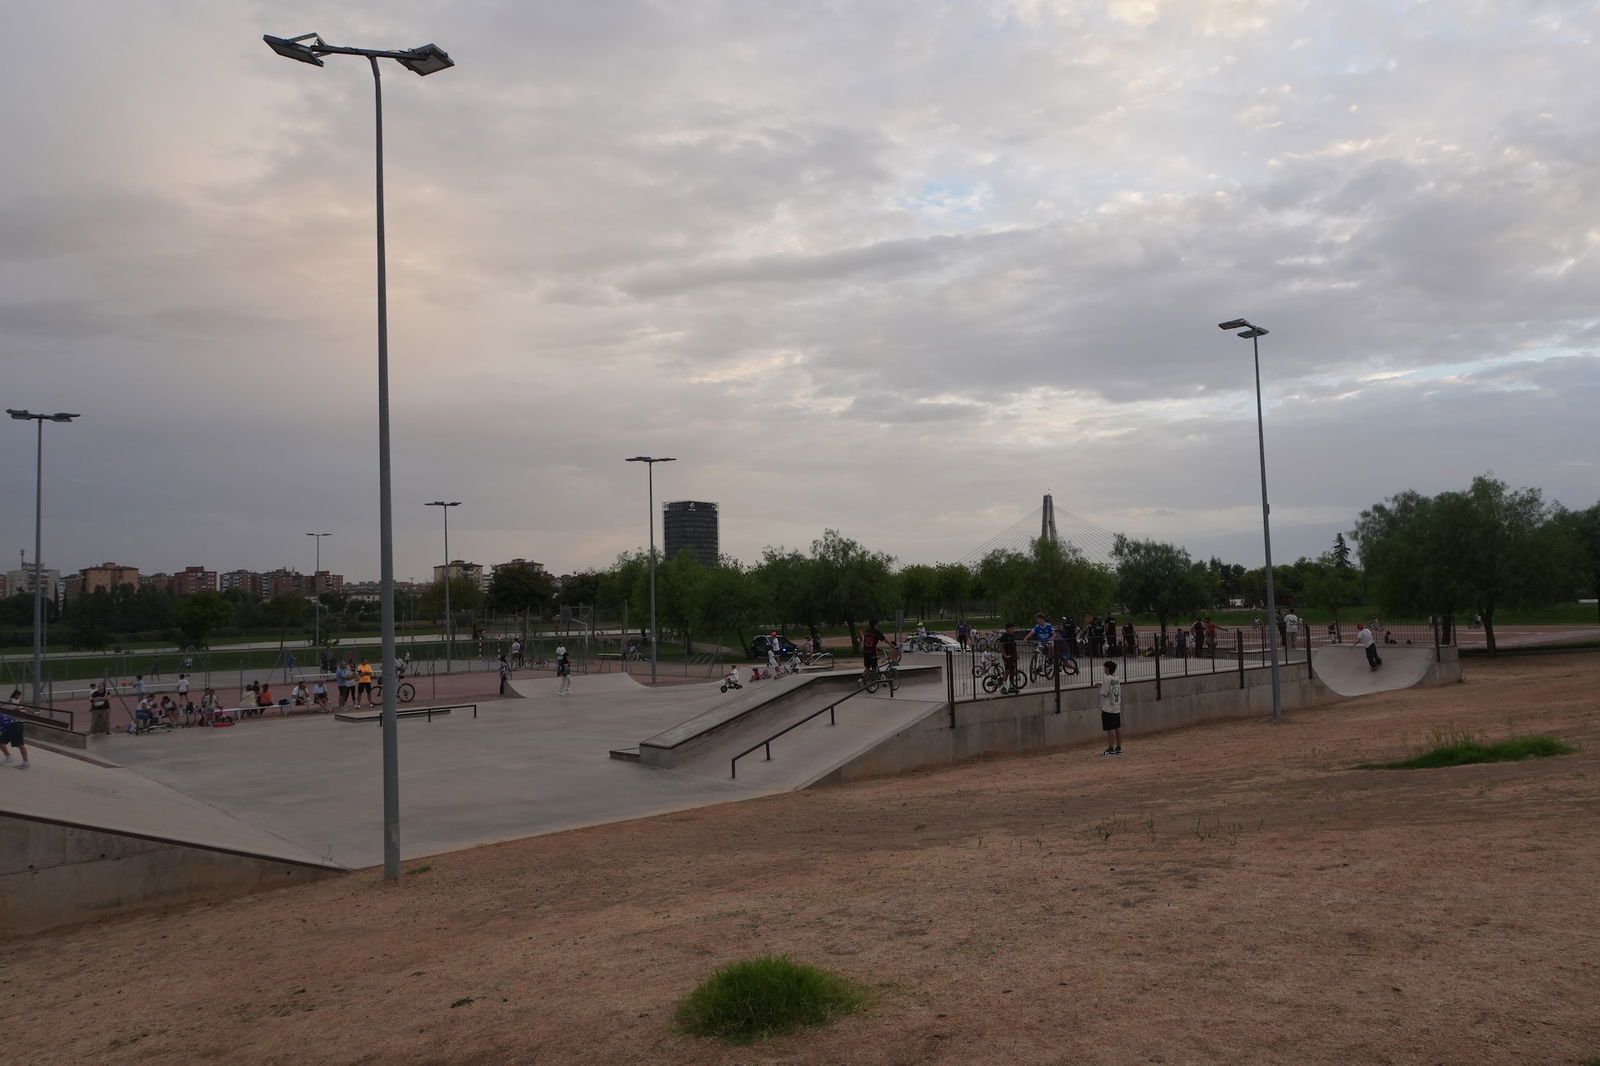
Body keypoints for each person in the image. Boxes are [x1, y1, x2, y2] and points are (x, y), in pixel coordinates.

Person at [1098, 660, 1123, 756]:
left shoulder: (1106, 678)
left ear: (1108, 668)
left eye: (1105, 667)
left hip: (1108, 707)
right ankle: (1118, 747)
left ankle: (1110, 748)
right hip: (1116, 706)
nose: (1104, 669)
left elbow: (1104, 692)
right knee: (1117, 727)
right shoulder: (1116, 678)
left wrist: (1100, 687)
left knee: (1110, 728)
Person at [1, 701, 31, 768]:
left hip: (12, 726)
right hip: (18, 724)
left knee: (1, 742)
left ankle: (8, 757)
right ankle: (25, 762)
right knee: (20, 745)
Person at [997, 623, 1020, 693]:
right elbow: (1001, 646)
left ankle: (1011, 686)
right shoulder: (1004, 636)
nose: (1013, 630)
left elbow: (1014, 645)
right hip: (1007, 656)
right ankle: (1004, 687)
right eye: (1012, 629)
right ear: (1007, 629)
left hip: (1012, 656)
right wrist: (1004, 655)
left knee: (1013, 671)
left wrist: (1016, 654)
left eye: (1013, 629)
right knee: (1007, 671)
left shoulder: (1012, 636)